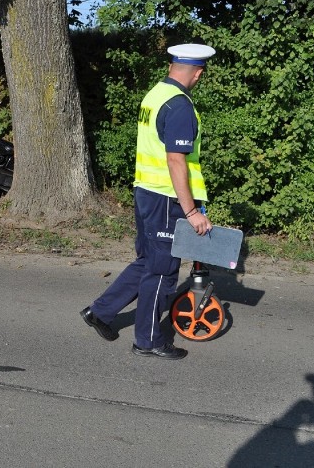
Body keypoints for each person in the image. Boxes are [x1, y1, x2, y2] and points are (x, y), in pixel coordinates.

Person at [80, 43, 215, 360]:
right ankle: (148, 340)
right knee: (162, 270)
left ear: (172, 67)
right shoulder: (179, 105)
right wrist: (192, 211)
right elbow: (176, 161)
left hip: (146, 191)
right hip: (167, 198)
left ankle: (101, 312)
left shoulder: (155, 95)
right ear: (198, 73)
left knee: (146, 261)